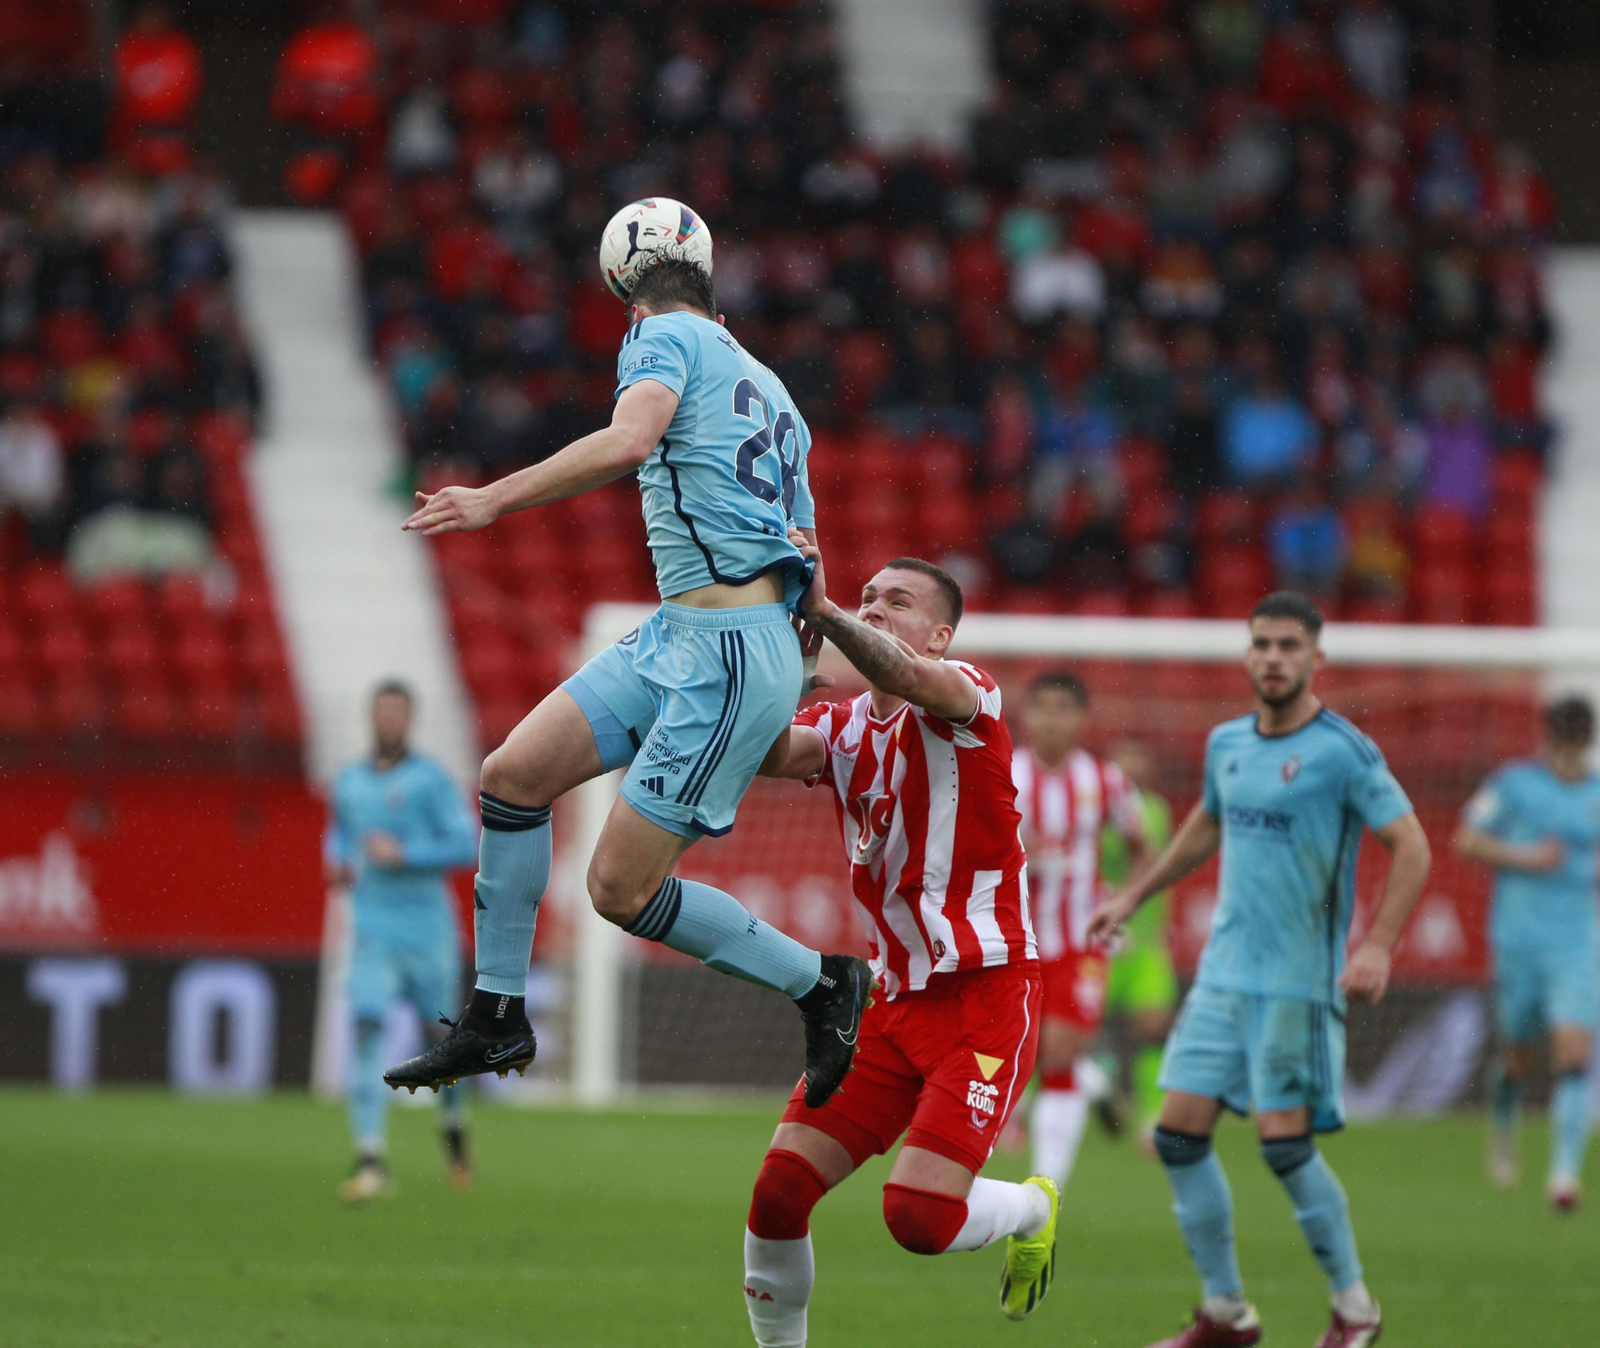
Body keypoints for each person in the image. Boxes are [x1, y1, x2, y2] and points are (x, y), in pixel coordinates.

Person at [384, 251, 871, 1109]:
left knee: (617, 889)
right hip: (687, 635)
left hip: (722, 651)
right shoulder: (772, 392)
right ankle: (497, 1010)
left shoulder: (660, 334)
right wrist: (799, 645)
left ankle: (824, 984)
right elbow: (809, 552)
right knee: (513, 775)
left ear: (632, 305)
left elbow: (631, 439)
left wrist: (491, 500)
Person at [1089, 591, 1432, 1348]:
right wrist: (1133, 893)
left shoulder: (1344, 751)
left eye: (1288, 646)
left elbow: (1411, 845)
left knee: (1284, 1146)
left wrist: (1376, 945)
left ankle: (1355, 1311)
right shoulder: (1227, 745)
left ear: (1316, 659)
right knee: (1177, 1137)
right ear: (1247, 654)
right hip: (1222, 973)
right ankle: (1226, 1313)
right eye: (1263, 644)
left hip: (1296, 982)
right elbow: (1207, 822)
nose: (1273, 658)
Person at [742, 545, 1058, 1346]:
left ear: (943, 634)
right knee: (778, 1192)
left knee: (917, 1217)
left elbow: (911, 679)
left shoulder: (968, 695)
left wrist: (829, 614)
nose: (876, 606)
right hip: (891, 1000)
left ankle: (1032, 1207)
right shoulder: (845, 725)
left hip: (986, 996)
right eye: (868, 594)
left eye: (899, 602)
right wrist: (763, 673)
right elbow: (775, 754)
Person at [324, 682, 478, 1203]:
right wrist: (337, 859)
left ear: (409, 719)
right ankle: (370, 1156)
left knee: (443, 1048)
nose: (389, 720)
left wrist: (405, 852)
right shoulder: (348, 782)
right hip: (373, 933)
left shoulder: (430, 780)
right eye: (382, 711)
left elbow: (464, 842)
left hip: (429, 935)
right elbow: (340, 833)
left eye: (398, 712)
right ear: (371, 717)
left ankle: (454, 1132)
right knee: (367, 1030)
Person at [1455, 696, 1600, 1211]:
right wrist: (1527, 857)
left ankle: (1563, 1177)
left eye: (1576, 742)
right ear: (1548, 739)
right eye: (1561, 741)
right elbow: (1465, 840)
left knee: (1574, 1055)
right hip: (1517, 942)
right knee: (1517, 1054)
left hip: (1578, 944)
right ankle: (1504, 1118)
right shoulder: (1513, 784)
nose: (1568, 752)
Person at [1011, 673, 1148, 1192]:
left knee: (1060, 1051)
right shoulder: (1005, 772)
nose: (1051, 719)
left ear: (1082, 719)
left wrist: (1122, 901)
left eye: (1063, 709)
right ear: (1027, 715)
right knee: (1035, 1054)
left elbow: (1142, 848)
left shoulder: (1106, 781)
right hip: (1014, 937)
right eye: (1041, 707)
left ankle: (1047, 1190)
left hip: (1080, 937)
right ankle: (1097, 1083)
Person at [1100, 736, 1178, 1147]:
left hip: (1145, 944)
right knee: (1062, 1033)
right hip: (1099, 942)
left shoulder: (1155, 811)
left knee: (1152, 1027)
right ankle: (1098, 1091)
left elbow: (1143, 856)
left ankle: (1151, 1119)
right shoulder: (1093, 811)